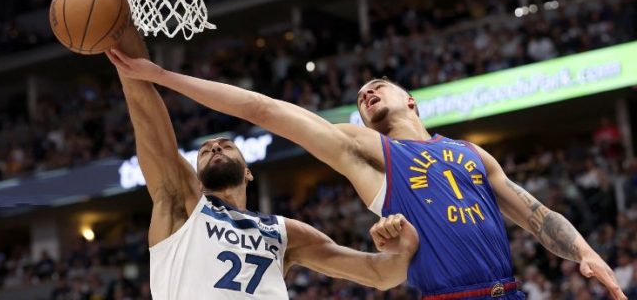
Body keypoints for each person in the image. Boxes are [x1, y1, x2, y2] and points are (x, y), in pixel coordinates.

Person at [64, 0, 419, 299]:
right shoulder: (181, 203)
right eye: (205, 150)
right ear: (196, 176)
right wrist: (117, 2)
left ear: (248, 173)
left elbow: (378, 274)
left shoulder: (287, 232)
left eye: (224, 145)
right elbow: (143, 104)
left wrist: (403, 247)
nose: (215, 146)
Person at [106, 57, 627, 298]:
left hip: (509, 291)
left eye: (379, 85)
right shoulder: (367, 150)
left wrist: (584, 251)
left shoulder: (471, 155)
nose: (367, 93)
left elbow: (537, 216)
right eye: (361, 96)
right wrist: (161, 76)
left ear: (411, 100)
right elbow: (263, 109)